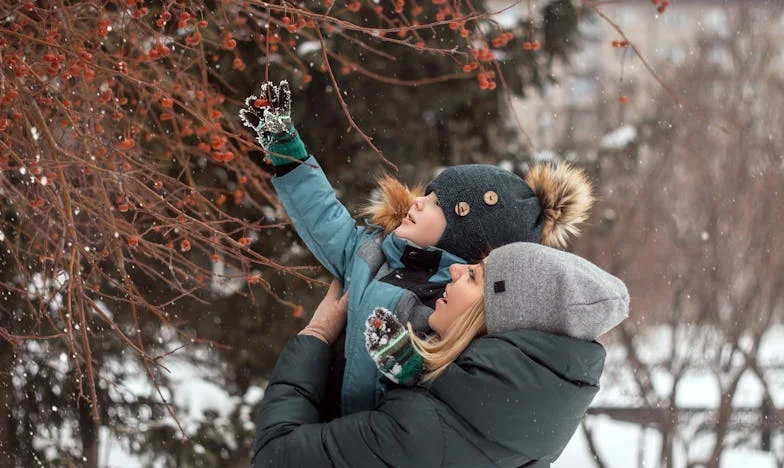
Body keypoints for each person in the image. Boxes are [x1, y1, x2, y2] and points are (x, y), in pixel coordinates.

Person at [240, 81, 595, 415]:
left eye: (437, 204)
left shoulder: (450, 303)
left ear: (463, 238)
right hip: (324, 422)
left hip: (373, 437)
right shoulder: (375, 252)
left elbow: (452, 378)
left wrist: (411, 368)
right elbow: (325, 219)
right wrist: (288, 153)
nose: (418, 201)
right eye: (428, 193)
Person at [252, 242, 629, 467]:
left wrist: (316, 336)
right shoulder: (520, 439)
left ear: (492, 321)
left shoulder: (422, 432)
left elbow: (275, 457)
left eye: (475, 277)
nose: (456, 270)